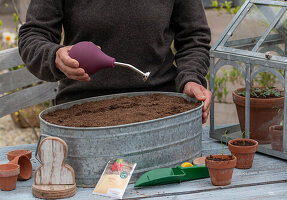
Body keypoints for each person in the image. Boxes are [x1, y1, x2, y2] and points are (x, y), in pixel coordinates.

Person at [18, 0, 212, 123]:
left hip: (162, 108)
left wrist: (191, 79)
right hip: (81, 111)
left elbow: (194, 37)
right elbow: (33, 36)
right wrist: (55, 56)